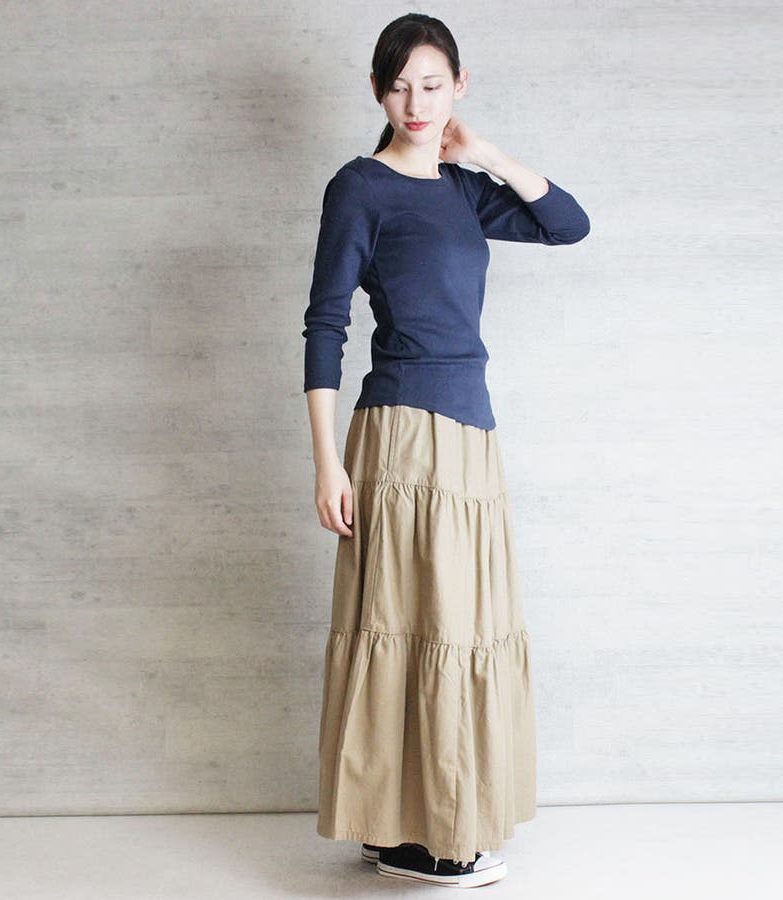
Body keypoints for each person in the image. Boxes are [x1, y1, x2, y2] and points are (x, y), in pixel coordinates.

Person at [302, 12, 590, 889]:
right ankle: (430, 839)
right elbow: (325, 326)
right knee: (414, 628)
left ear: (459, 86)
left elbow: (568, 224)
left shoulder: (463, 191)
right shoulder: (359, 187)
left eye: (432, 84)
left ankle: (407, 828)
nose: (415, 102)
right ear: (377, 91)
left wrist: (485, 152)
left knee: (451, 630)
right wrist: (327, 461)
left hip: (471, 434)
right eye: (398, 86)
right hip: (401, 435)